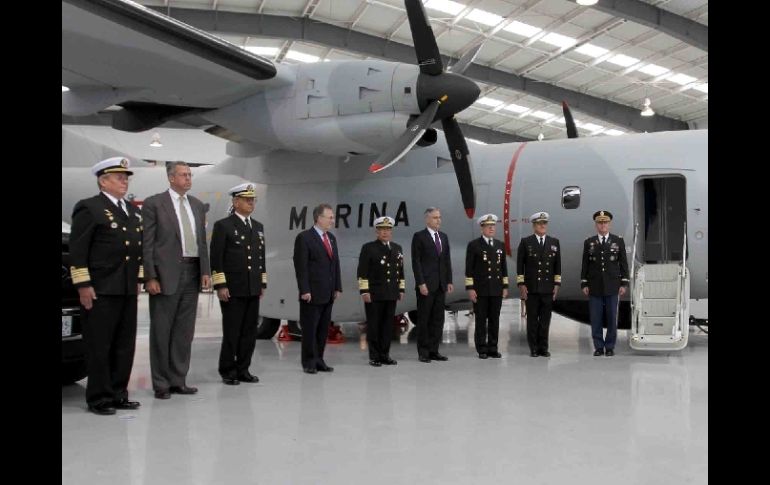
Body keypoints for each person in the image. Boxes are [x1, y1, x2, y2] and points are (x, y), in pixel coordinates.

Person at [69, 157, 143, 415]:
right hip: (100, 288)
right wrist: (83, 284)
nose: (124, 181)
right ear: (103, 181)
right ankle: (99, 398)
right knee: (100, 345)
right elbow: (79, 250)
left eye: (126, 178)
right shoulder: (90, 208)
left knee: (124, 344)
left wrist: (138, 279)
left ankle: (118, 393)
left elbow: (137, 249)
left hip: (126, 288)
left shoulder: (132, 210)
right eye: (119, 177)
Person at [142, 162, 211, 399]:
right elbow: (147, 243)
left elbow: (202, 242)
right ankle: (161, 383)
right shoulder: (154, 203)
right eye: (184, 175)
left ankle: (178, 379)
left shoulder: (197, 205)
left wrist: (205, 271)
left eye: (190, 174)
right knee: (162, 331)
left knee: (184, 332)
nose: (188, 178)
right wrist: (150, 276)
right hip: (166, 274)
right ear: (171, 178)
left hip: (192, 271)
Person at [210, 183, 266, 385]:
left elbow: (260, 258)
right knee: (232, 332)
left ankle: (243, 368)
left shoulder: (257, 227)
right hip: (233, 288)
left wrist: (262, 283)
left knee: (249, 332)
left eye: (253, 200)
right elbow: (216, 258)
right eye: (247, 200)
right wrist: (220, 285)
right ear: (235, 202)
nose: (251, 203)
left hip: (252, 287)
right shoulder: (224, 226)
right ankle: (227, 370)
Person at [292, 203, 342, 374]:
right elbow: (301, 267)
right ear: (319, 218)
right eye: (330, 217)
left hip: (328, 293)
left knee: (322, 330)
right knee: (310, 330)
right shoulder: (304, 238)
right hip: (311, 294)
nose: (332, 221)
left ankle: (319, 359)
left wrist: (337, 286)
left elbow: (335, 265)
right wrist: (304, 290)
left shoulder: (331, 238)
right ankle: (309, 362)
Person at [357, 216, 405, 367]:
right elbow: (362, 272)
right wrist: (364, 291)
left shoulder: (397, 248)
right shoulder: (368, 248)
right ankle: (374, 356)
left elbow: (400, 271)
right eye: (382, 229)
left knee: (387, 326)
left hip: (391, 293)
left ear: (391, 231)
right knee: (374, 326)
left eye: (388, 229)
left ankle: (385, 355)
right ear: (376, 231)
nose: (385, 232)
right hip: (375, 294)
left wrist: (401, 288)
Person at [580, 210, 629, 357]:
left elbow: (623, 264)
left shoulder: (618, 241)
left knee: (612, 318)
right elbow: (585, 264)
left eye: (605, 222)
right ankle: (599, 347)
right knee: (596, 318)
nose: (603, 225)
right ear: (596, 225)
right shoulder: (589, 242)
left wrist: (624, 283)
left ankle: (610, 346)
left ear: (609, 224)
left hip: (612, 285)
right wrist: (584, 283)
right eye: (600, 223)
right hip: (594, 285)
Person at [516, 212, 561, 357]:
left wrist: (557, 284)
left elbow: (557, 266)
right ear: (534, 225)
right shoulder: (526, 242)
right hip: (532, 288)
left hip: (548, 288)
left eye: (544, 223)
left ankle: (544, 348)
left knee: (545, 321)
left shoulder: (554, 242)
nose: (542, 226)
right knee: (532, 320)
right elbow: (520, 266)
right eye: (539, 223)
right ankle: (534, 348)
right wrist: (521, 284)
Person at [411, 207, 453, 363]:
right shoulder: (419, 237)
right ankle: (423, 352)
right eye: (435, 217)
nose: (438, 220)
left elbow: (446, 261)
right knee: (424, 319)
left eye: (439, 217)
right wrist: (420, 283)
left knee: (438, 320)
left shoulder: (443, 237)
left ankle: (434, 350)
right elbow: (416, 262)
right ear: (427, 219)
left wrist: (449, 281)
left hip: (440, 285)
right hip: (426, 286)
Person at [465, 214, 508, 359]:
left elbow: (503, 268)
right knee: (481, 320)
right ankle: (482, 348)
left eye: (493, 226)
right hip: (481, 290)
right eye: (488, 226)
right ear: (482, 228)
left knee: (495, 320)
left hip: (496, 289)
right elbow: (469, 269)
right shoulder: (474, 245)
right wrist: (470, 288)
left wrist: (505, 286)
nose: (491, 228)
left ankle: (493, 347)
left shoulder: (499, 245)